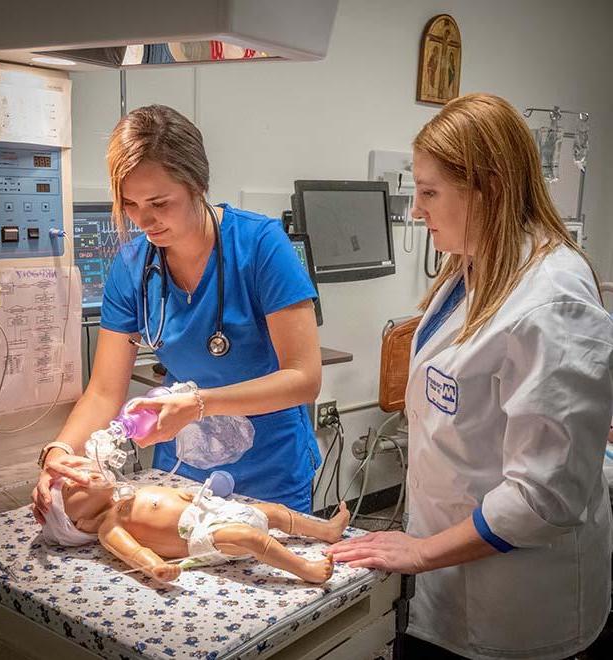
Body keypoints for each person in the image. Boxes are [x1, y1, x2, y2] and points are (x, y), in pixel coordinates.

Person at [330, 93, 613, 659]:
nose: (416, 210)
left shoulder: (552, 302)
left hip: (514, 610)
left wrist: (419, 553)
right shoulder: (476, 268)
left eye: (430, 193)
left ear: (490, 186)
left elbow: (545, 496)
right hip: (447, 574)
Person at [32, 104, 322, 523]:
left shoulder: (261, 247)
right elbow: (104, 392)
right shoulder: (133, 268)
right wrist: (59, 453)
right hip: (180, 475)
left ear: (198, 185)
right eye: (129, 204)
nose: (143, 220)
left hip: (271, 473)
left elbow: (304, 378)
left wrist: (199, 405)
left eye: (159, 203)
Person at [40, 468, 348, 585]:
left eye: (77, 473)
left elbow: (170, 496)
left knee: (277, 513)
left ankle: (326, 532)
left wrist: (190, 496)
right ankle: (305, 570)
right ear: (78, 523)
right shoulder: (111, 527)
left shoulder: (129, 493)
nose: (81, 478)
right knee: (251, 538)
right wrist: (155, 567)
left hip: (210, 509)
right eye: (70, 489)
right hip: (201, 536)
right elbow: (134, 552)